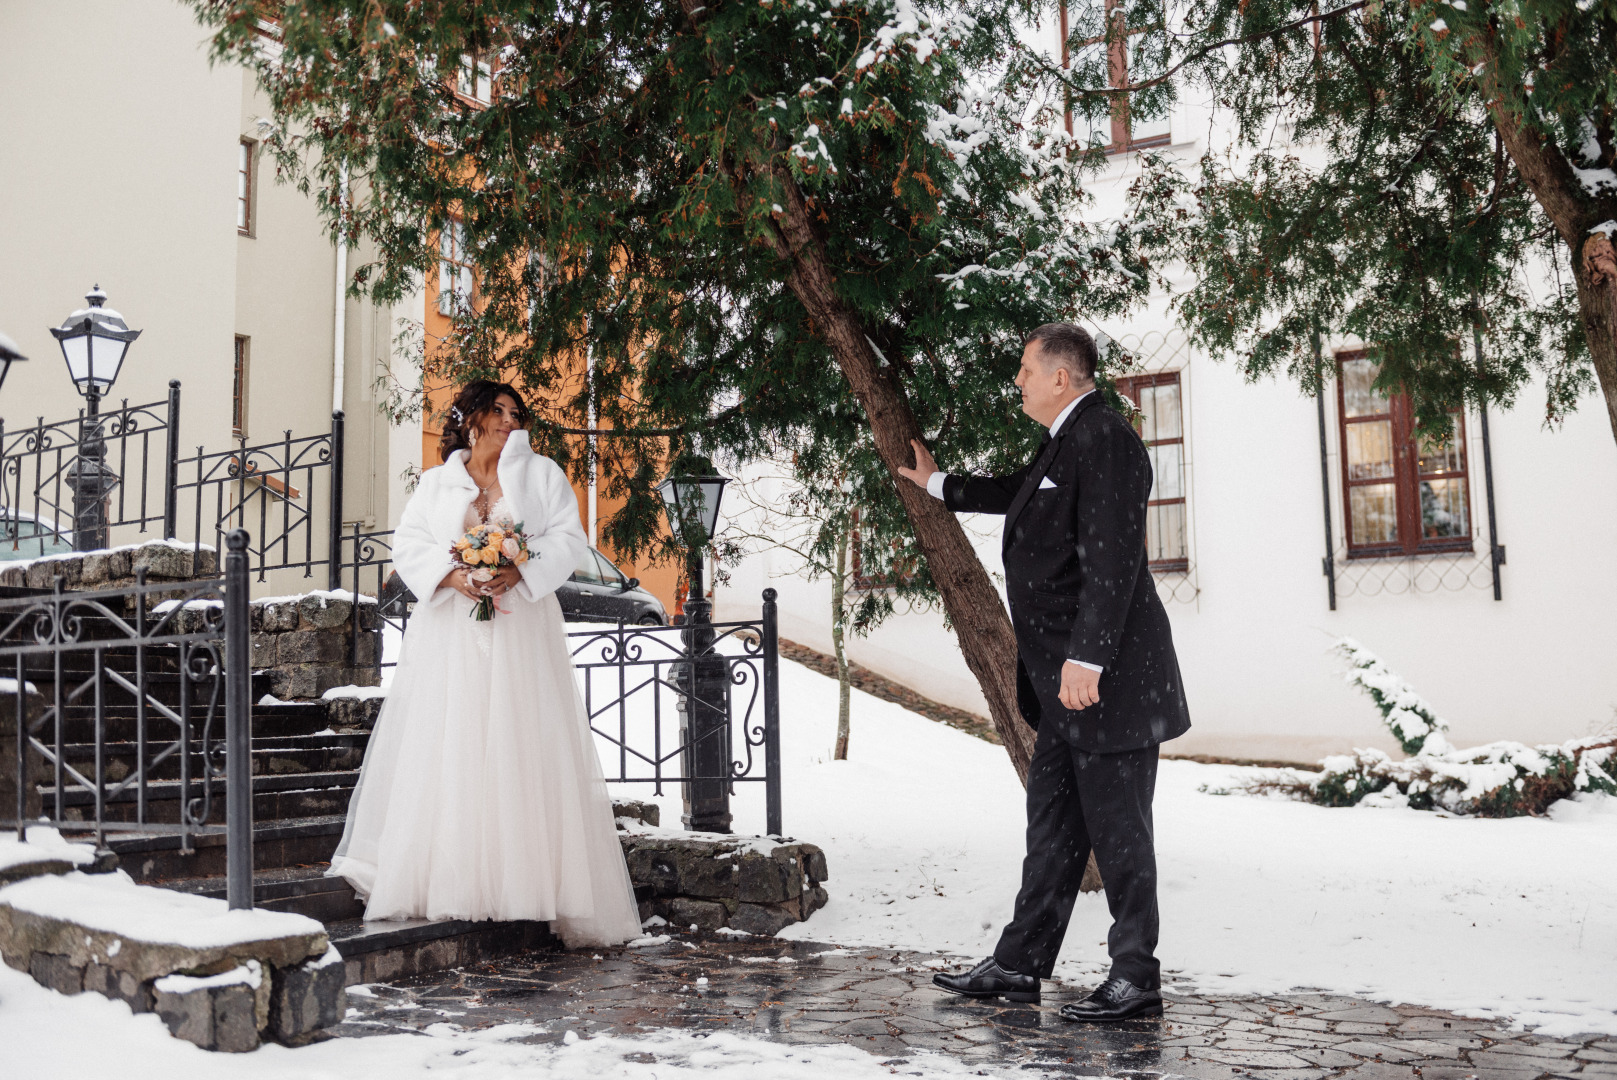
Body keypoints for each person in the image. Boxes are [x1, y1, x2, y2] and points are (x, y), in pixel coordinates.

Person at [897, 323, 1191, 1021]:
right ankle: (1019, 963)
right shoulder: (1065, 440)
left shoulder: (1106, 438)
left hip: (1105, 682)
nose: (1018, 382)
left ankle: (1135, 975)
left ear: (1061, 376)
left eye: (1026, 369)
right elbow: (1023, 493)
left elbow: (1113, 559)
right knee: (1053, 825)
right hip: (1066, 683)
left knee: (1120, 833)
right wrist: (938, 482)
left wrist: (1086, 657)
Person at [328, 380, 642, 948]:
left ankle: (525, 885)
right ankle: (451, 878)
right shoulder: (436, 482)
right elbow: (411, 544)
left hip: (520, 628)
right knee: (453, 741)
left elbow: (568, 539)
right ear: (471, 417)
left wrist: (519, 571)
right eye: (497, 411)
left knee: (518, 742)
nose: (508, 421)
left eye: (515, 413)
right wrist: (451, 576)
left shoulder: (541, 474)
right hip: (450, 629)